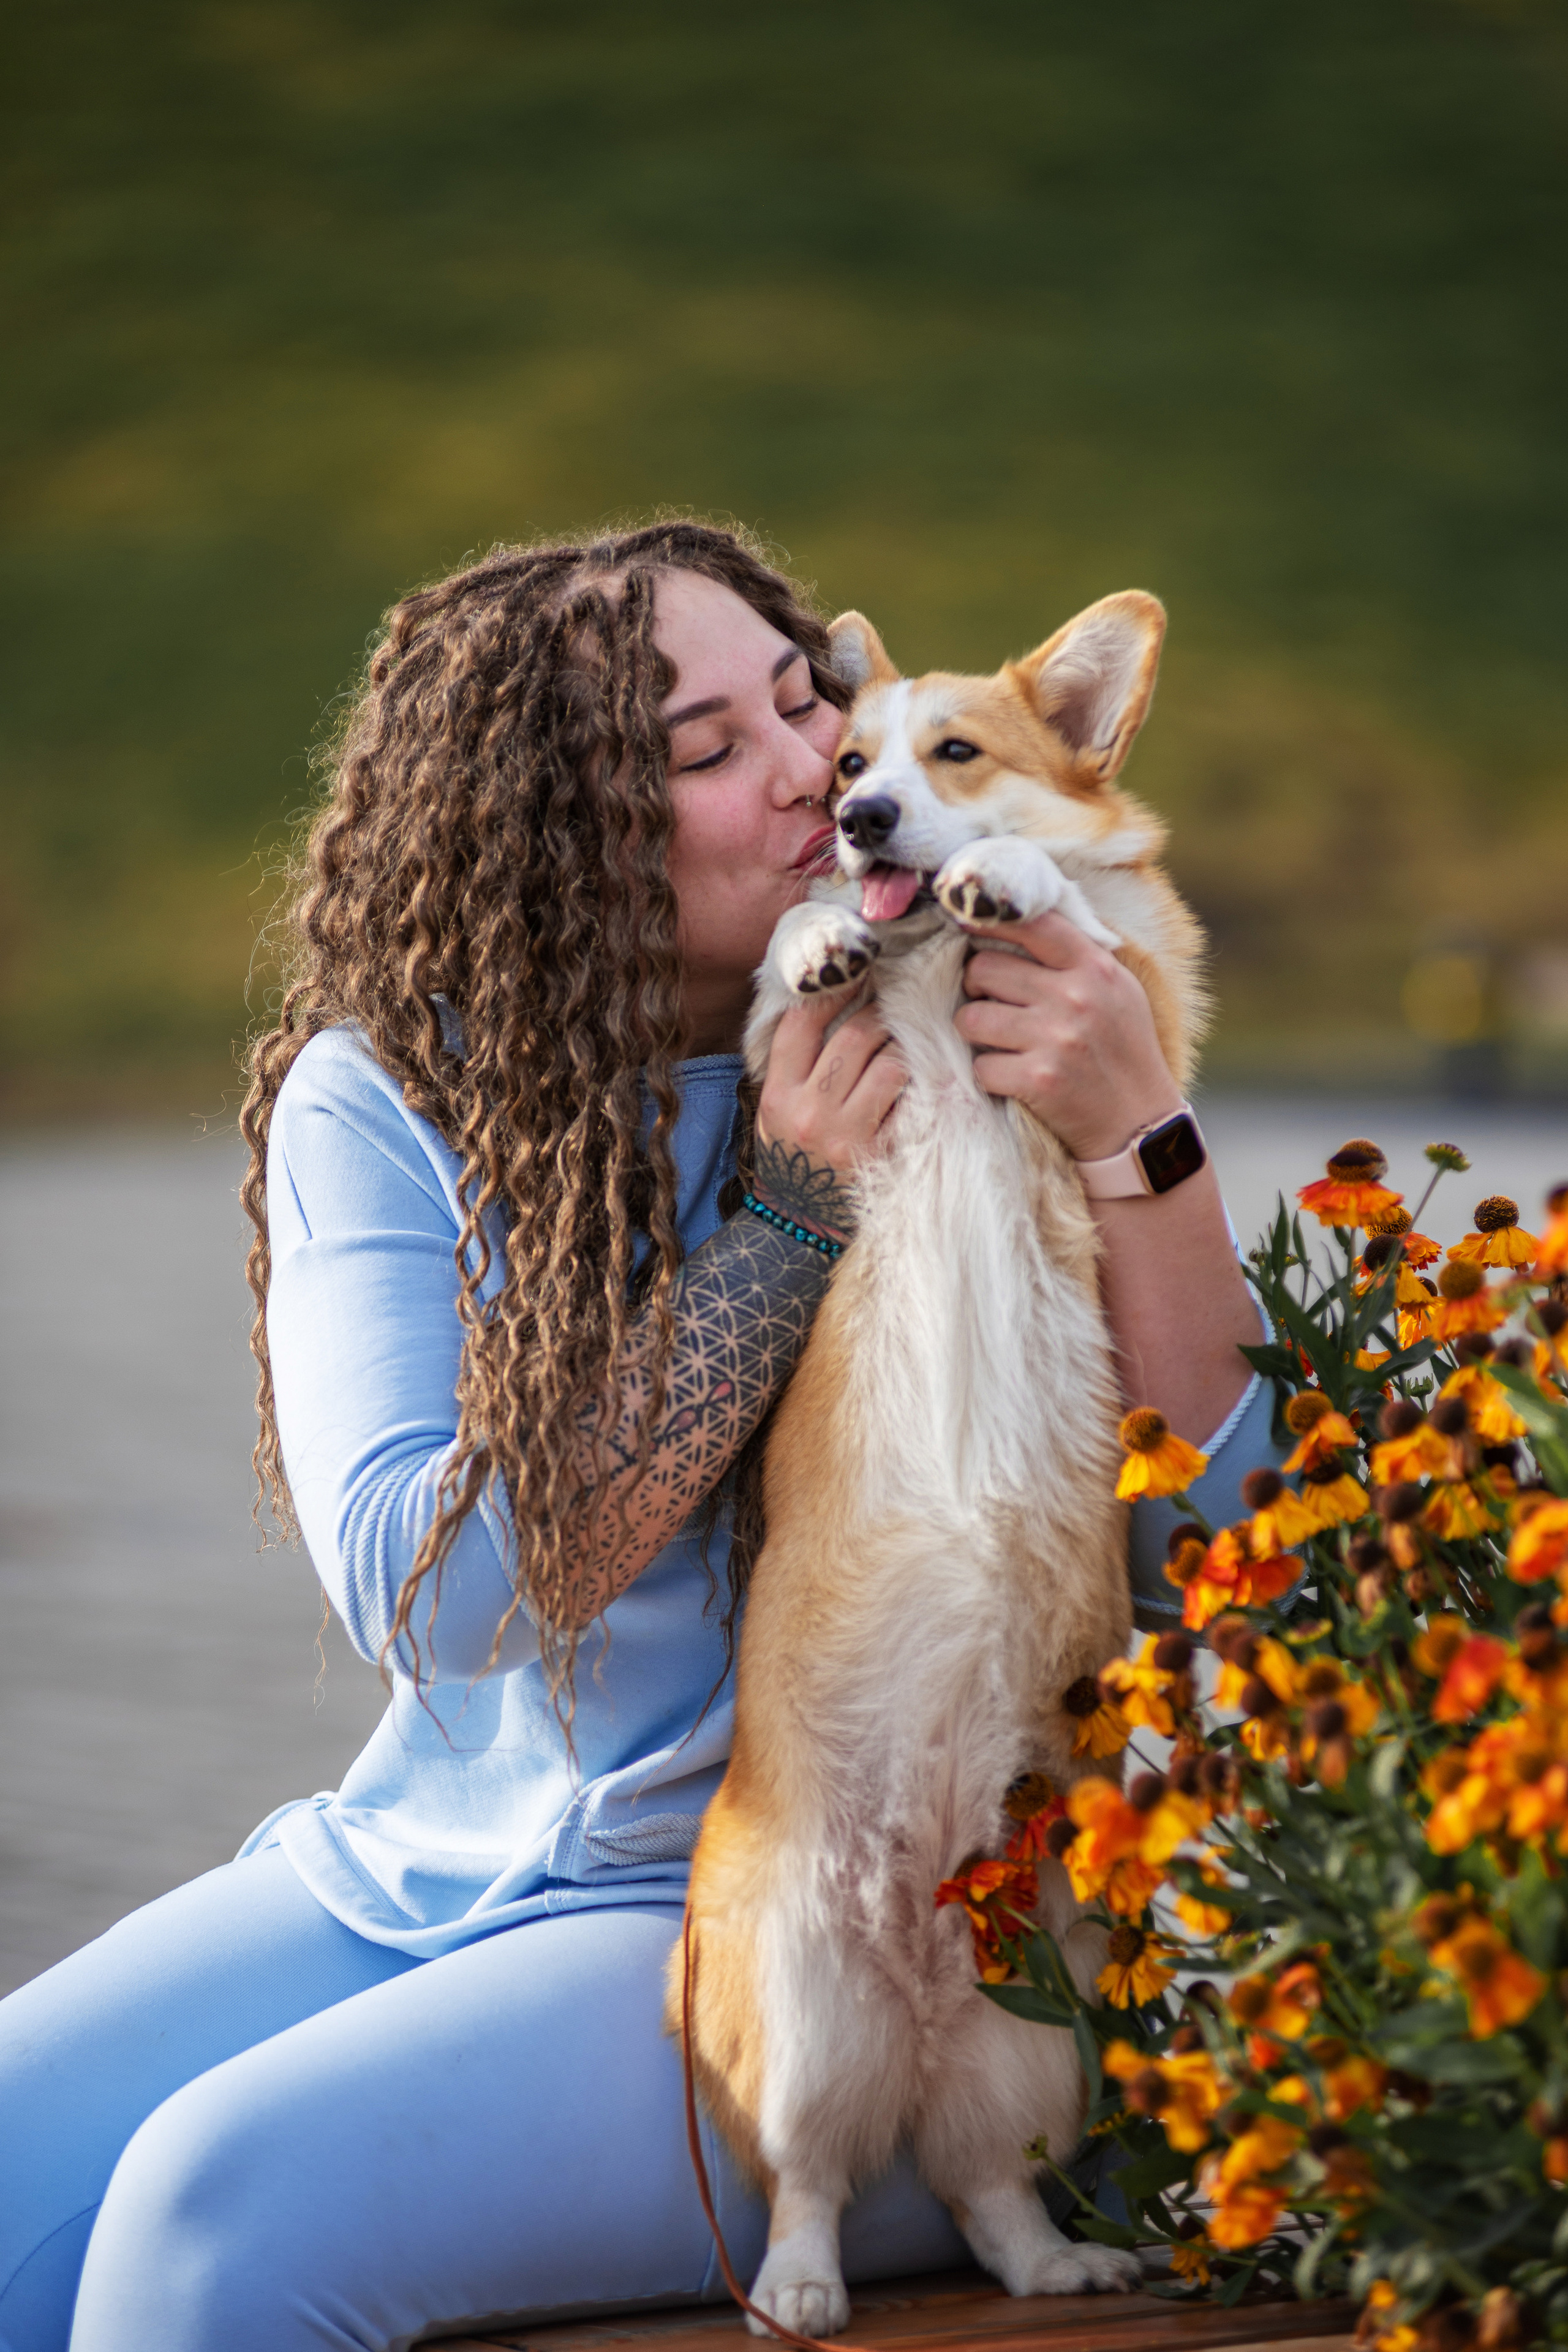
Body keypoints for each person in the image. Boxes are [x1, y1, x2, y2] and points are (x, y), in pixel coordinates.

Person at [0, 522, 1272, 2352]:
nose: (817, 776)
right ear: (565, 836)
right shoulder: (397, 1090)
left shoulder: (1007, 1011)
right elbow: (429, 1602)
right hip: (428, 1862)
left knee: (209, 2230)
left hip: (836, 1926)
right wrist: (785, 1220)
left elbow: (1236, 1552)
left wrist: (1143, 1132)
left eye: (805, 705)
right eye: (705, 749)